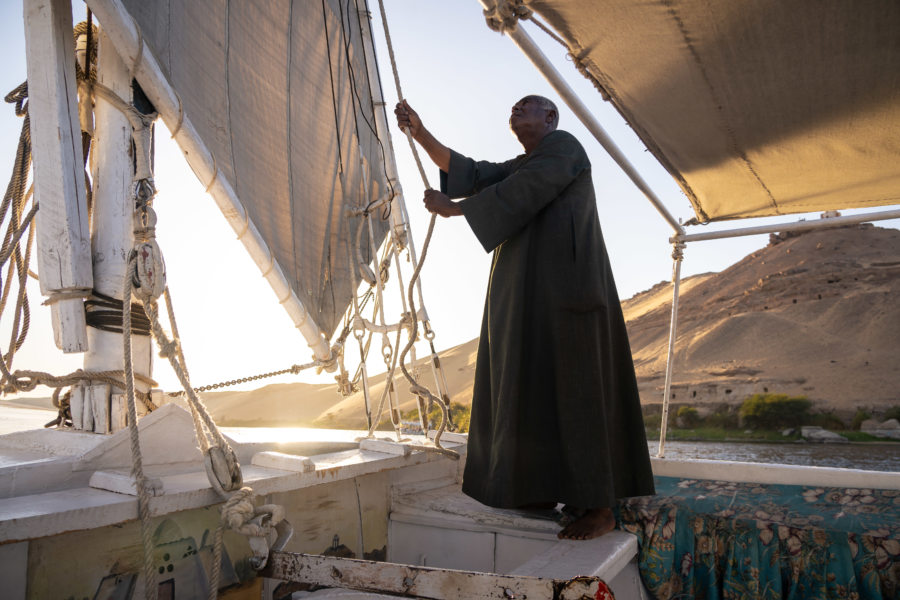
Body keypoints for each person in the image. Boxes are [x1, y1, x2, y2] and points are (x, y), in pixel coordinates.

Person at [395, 95, 654, 540]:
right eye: (512, 108)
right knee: (528, 383)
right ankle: (537, 487)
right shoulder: (520, 164)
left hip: (568, 292)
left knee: (577, 388)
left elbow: (526, 190)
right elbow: (474, 174)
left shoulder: (564, 148)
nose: (514, 111)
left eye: (526, 107)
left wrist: (456, 208)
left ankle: (598, 506)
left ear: (550, 118)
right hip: (526, 294)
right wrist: (420, 134)